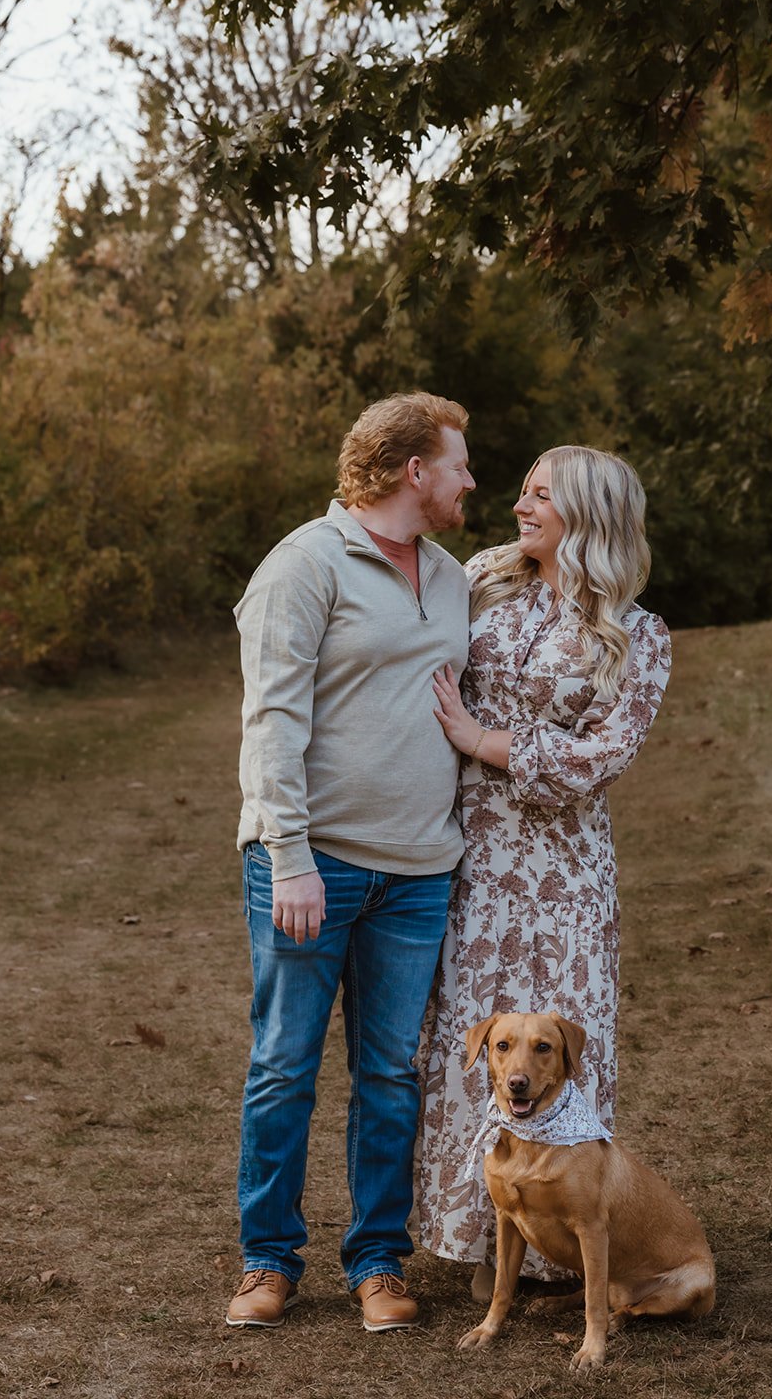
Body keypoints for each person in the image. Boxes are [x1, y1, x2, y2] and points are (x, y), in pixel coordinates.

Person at [227, 392, 474, 1333]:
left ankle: (378, 1262)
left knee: (389, 1075)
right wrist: (287, 855)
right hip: (311, 867)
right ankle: (266, 1262)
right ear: (414, 470)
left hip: (418, 871)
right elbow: (273, 719)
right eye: (458, 463)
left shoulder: (453, 576)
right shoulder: (303, 564)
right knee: (285, 1066)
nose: (469, 479)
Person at [415, 445, 672, 1292]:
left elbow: (599, 758)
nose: (518, 507)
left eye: (538, 497)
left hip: (564, 877)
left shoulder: (637, 635)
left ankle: (567, 1237)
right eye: (521, 492)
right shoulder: (482, 581)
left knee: (561, 1049)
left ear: (589, 517)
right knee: (473, 1044)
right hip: (473, 859)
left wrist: (478, 740)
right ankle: (472, 1229)